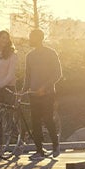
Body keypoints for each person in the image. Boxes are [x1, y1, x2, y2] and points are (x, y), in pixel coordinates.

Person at [25, 28, 62, 159]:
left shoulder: (51, 53)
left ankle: (55, 145)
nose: (30, 39)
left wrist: (44, 87)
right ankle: (39, 151)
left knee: (48, 120)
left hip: (47, 94)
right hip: (33, 94)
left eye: (32, 37)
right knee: (35, 123)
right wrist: (23, 90)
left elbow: (58, 74)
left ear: (39, 38)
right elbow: (28, 76)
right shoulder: (29, 56)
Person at [0, 30, 18, 103]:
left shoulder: (12, 55)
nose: (5, 40)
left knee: (7, 110)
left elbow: (11, 74)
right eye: (3, 38)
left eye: (7, 38)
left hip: (8, 89)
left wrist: (0, 85)